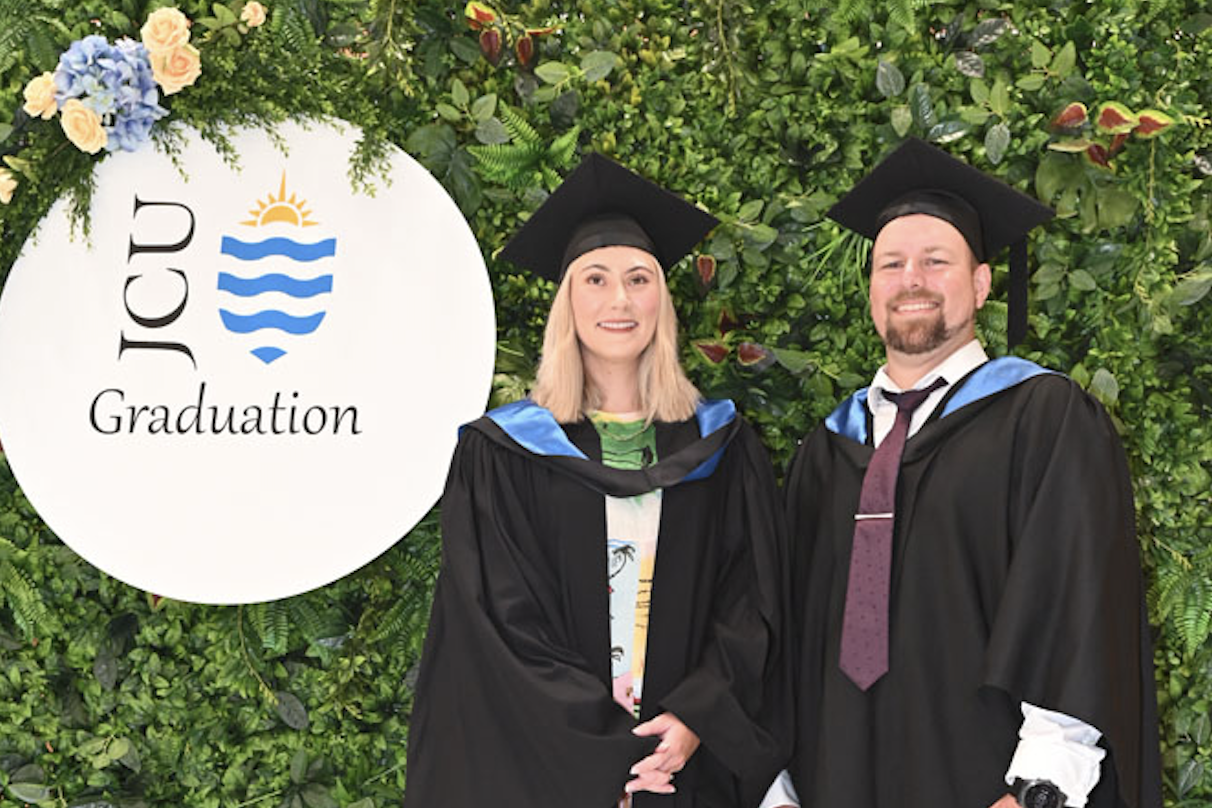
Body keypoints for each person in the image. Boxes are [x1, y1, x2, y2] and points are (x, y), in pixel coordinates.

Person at [764, 138, 1160, 808]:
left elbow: (1077, 607)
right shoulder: (825, 451)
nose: (910, 277)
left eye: (935, 260)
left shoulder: (1043, 418)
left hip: (987, 785)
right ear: (871, 290)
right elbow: (785, 638)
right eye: (891, 263)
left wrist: (1038, 788)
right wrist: (780, 787)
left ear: (980, 283)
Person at [404, 153, 790, 808]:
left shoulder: (720, 445)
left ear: (661, 301)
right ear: (567, 302)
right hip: (548, 770)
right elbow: (499, 623)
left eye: (639, 279)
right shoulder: (504, 453)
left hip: (684, 764)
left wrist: (697, 718)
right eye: (596, 279)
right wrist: (612, 753)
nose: (619, 300)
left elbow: (752, 601)